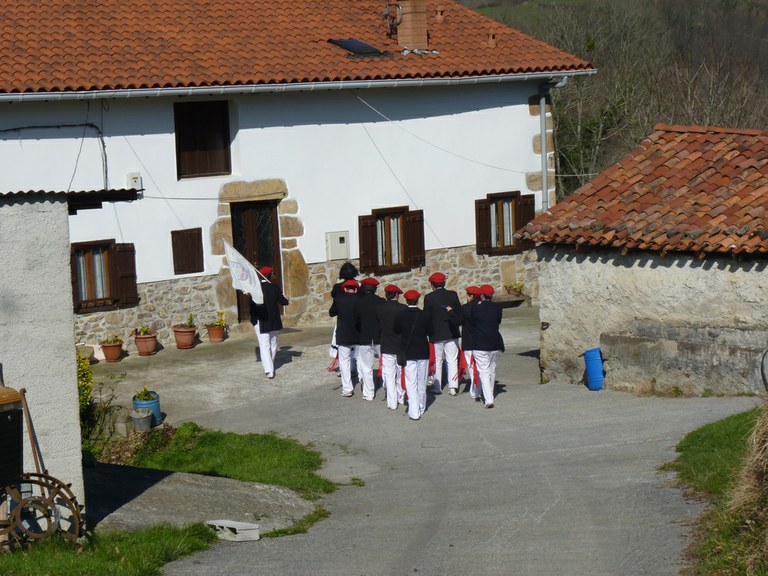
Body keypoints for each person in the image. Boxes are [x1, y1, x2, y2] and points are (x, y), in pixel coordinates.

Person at [423, 272, 461, 396]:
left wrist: (427, 332)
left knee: (437, 361)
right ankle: (453, 386)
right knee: (452, 360)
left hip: (436, 333)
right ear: (444, 283)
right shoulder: (453, 295)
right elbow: (458, 313)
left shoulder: (429, 298)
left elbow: (426, 317)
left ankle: (437, 386)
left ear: (432, 285)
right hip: (451, 331)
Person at [394, 290, 430, 420]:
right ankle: (421, 406)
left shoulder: (401, 315)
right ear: (418, 300)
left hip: (408, 351)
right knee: (422, 381)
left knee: (411, 382)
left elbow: (396, 330)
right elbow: (430, 331)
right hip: (422, 351)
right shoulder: (425, 315)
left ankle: (414, 411)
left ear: (406, 300)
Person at [249, 266, 289, 379]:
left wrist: (253, 320)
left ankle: (269, 370)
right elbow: (284, 302)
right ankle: (270, 365)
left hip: (261, 320)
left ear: (260, 276)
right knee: (273, 344)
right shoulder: (275, 287)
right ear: (270, 275)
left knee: (264, 345)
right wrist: (287, 298)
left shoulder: (255, 289)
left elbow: (251, 307)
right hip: (274, 320)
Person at [471, 284, 505, 408]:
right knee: (491, 370)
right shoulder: (498, 308)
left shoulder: (476, 308)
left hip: (480, 343)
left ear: (482, 295)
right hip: (494, 342)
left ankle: (489, 399)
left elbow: (473, 322)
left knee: (484, 371)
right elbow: (498, 321)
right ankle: (489, 393)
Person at [376, 284, 407, 410]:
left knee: (389, 375)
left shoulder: (379, 308)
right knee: (401, 373)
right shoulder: (403, 308)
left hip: (386, 344)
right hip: (400, 345)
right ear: (396, 295)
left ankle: (392, 402)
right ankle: (401, 397)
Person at [354, 277, 384, 401]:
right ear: (375, 289)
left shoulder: (359, 302)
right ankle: (389, 389)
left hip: (365, 337)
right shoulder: (381, 301)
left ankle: (369, 393)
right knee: (386, 364)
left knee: (366, 367)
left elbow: (356, 321)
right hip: (379, 337)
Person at [329, 278, 360, 397]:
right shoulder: (360, 299)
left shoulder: (338, 299)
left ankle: (347, 389)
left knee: (344, 361)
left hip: (343, 334)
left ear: (345, 289)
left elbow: (331, 313)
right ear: (355, 289)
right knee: (360, 360)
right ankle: (364, 383)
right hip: (358, 334)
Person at [452, 285, 481, 400]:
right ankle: (479, 388)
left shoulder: (465, 308)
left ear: (471, 296)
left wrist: (451, 312)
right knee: (481, 367)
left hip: (469, 341)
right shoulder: (482, 307)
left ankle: (476, 390)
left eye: (468, 295)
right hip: (481, 341)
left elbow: (457, 321)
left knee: (471, 367)